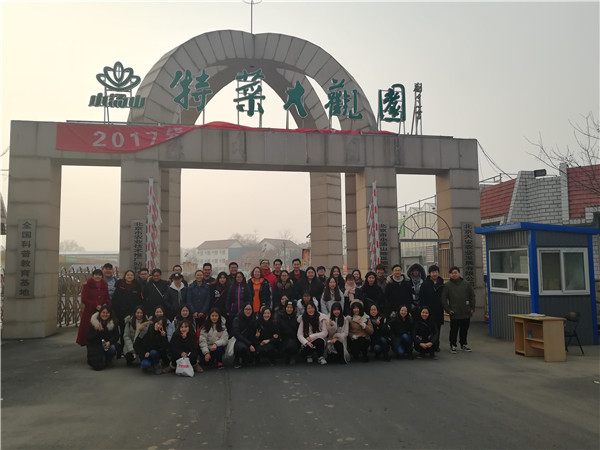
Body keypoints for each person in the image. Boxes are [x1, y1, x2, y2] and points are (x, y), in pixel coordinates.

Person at [442, 266, 476, 354]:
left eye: (455, 272)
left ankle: (463, 344)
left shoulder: (466, 284)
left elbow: (472, 296)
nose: (454, 274)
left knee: (464, 330)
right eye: (452, 273)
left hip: (466, 311)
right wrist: (448, 310)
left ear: (459, 273)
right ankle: (453, 345)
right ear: (450, 275)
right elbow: (444, 299)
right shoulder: (447, 285)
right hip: (454, 312)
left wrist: (472, 307)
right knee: (454, 330)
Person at [76, 269, 110, 346]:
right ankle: (89, 344)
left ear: (102, 276)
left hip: (102, 311)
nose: (98, 276)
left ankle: (100, 344)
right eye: (96, 275)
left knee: (101, 328)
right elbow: (84, 299)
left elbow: (107, 298)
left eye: (100, 275)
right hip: (89, 311)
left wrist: (105, 304)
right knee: (89, 328)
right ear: (93, 276)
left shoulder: (105, 286)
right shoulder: (87, 286)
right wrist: (95, 305)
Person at [420, 265, 445, 350]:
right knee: (428, 328)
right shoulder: (425, 284)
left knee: (437, 328)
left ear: (438, 273)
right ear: (429, 273)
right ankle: (428, 344)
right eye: (432, 272)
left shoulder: (442, 283)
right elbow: (421, 297)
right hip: (428, 310)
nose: (434, 274)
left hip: (438, 309)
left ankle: (436, 345)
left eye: (436, 272)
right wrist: (423, 308)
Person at [86, 305, 119, 371]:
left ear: (110, 314)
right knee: (99, 365)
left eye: (107, 313)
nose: (105, 314)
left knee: (112, 348)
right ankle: (103, 359)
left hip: (107, 344)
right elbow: (89, 338)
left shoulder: (113, 323)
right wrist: (98, 331)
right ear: (100, 313)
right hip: (96, 345)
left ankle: (109, 359)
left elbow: (116, 336)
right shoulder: (94, 323)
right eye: (103, 312)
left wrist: (109, 342)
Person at [232, 303, 258, 369]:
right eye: (246, 309)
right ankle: (237, 359)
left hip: (249, 340)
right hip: (239, 340)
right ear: (243, 310)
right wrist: (249, 344)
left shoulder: (253, 319)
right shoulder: (237, 319)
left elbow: (252, 333)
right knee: (241, 347)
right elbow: (237, 334)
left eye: (250, 309)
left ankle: (246, 359)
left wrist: (256, 335)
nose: (248, 311)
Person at [277, 299, 300, 365]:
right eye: (288, 307)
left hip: (294, 339)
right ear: (285, 308)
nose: (289, 309)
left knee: (292, 343)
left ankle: (293, 356)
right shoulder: (280, 317)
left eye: (291, 308)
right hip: (283, 339)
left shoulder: (296, 318)